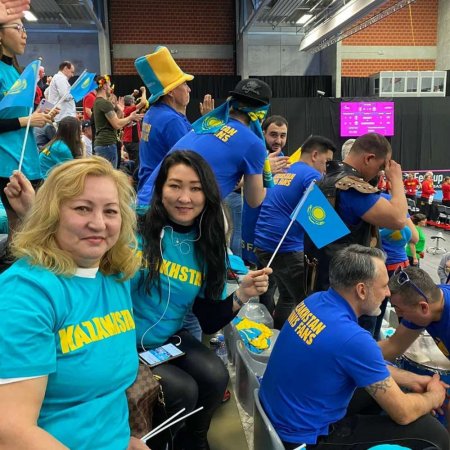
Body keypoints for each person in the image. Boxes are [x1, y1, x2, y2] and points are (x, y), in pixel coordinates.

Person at [0, 157, 147, 450]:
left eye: (110, 211)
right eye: (82, 208)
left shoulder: (113, 276)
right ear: (52, 214)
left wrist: (124, 440)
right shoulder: (26, 294)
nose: (98, 223)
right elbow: (11, 432)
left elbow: (102, 397)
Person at [132, 150, 271, 450]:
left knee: (215, 376)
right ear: (160, 188)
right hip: (122, 343)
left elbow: (208, 320)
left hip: (166, 339)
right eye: (175, 185)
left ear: (207, 194)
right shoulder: (134, 225)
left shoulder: (208, 242)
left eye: (195, 188)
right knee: (181, 390)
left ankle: (192, 442)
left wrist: (243, 294)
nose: (185, 197)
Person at [260, 245, 448, 450]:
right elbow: (403, 413)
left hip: (274, 419)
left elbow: (362, 362)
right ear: (361, 290)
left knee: (381, 397)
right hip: (303, 439)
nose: (388, 293)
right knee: (433, 433)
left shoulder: (314, 302)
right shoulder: (353, 338)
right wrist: (433, 397)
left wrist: (413, 379)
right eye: (384, 285)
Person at [304, 133, 407, 335]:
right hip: (354, 293)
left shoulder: (322, 182)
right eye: (380, 167)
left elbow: (323, 242)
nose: (380, 173)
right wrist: (396, 179)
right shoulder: (351, 187)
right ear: (369, 158)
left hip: (324, 286)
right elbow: (399, 219)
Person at [138, 78, 272, 210]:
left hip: (143, 203)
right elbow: (254, 200)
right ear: (262, 112)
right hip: (169, 212)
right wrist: (262, 169)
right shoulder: (253, 144)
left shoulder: (206, 124)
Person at [254, 135, 336, 328]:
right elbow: (323, 224)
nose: (327, 169)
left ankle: (279, 334)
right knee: (309, 304)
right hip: (286, 248)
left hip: (264, 244)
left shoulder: (284, 170)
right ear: (315, 155)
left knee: (287, 296)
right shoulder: (311, 176)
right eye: (327, 162)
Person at [0, 18, 53, 240]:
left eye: (25, 28)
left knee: (32, 225)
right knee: (21, 228)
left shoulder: (16, 71)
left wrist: (41, 116)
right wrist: (26, 120)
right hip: (8, 162)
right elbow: (18, 119)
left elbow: (17, 114)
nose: (25, 34)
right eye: (18, 28)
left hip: (28, 158)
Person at [136, 46, 214, 191]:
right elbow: (193, 160)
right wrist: (209, 123)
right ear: (171, 92)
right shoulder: (171, 120)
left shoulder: (153, 113)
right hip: (161, 191)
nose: (189, 89)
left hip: (149, 188)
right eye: (184, 84)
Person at [240, 114, 291, 264]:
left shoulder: (284, 160)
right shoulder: (250, 154)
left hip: (272, 230)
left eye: (283, 136)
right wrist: (264, 170)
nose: (278, 140)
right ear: (263, 134)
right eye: (273, 135)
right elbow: (235, 182)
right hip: (251, 222)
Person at [93, 75, 144, 168]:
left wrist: (120, 109)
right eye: (109, 85)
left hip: (103, 144)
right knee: (110, 174)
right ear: (104, 86)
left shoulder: (97, 102)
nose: (110, 88)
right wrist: (131, 117)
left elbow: (118, 121)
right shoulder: (105, 103)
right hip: (107, 144)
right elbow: (117, 124)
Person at [122, 88, 147, 164]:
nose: (135, 103)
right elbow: (143, 102)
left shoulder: (125, 109)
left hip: (128, 140)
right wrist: (144, 91)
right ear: (131, 102)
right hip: (132, 141)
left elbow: (127, 100)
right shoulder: (130, 109)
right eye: (133, 101)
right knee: (136, 163)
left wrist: (133, 94)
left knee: (132, 162)